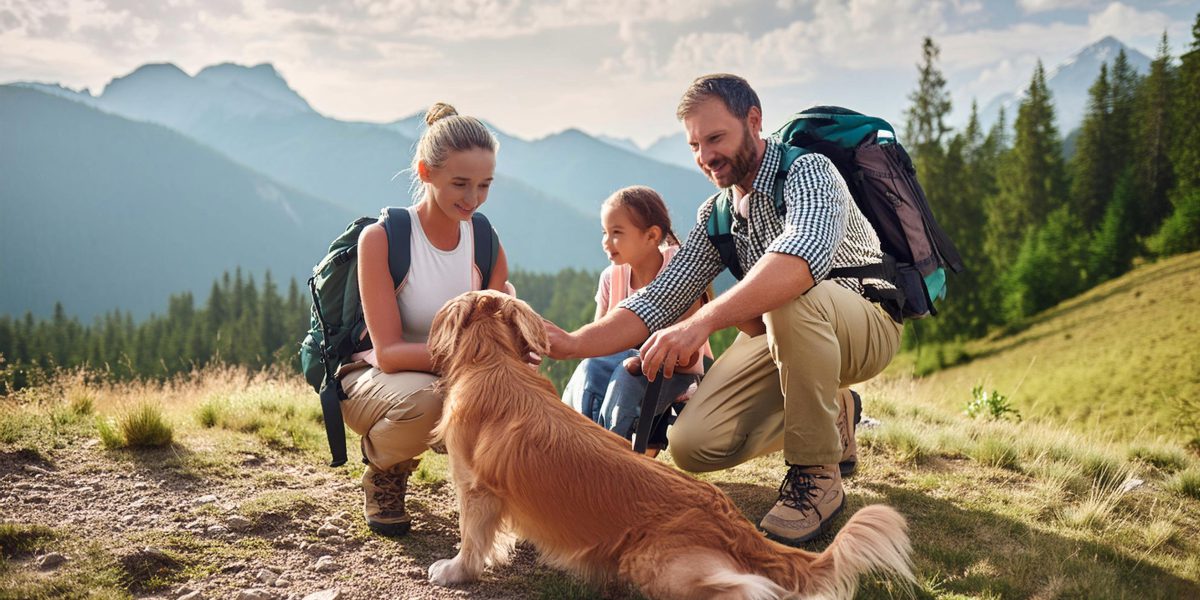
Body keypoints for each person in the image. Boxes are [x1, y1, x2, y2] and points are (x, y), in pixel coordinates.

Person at [545, 74, 902, 545]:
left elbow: (800, 258)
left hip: (866, 323)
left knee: (791, 298)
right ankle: (836, 410)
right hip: (791, 338)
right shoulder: (717, 214)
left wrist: (702, 323)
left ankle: (817, 474)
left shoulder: (809, 170)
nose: (705, 156)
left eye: (715, 137)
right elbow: (657, 298)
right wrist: (570, 344)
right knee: (694, 444)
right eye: (694, 144)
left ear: (754, 121)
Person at [339, 102, 509, 537]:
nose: (473, 199)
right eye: (460, 184)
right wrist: (473, 362)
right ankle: (384, 468)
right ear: (425, 172)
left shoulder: (485, 241)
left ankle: (502, 494)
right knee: (431, 400)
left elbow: (498, 332)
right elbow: (391, 354)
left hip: (456, 375)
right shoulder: (382, 240)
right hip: (373, 380)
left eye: (485, 185)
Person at [562, 186, 710, 448]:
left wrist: (638, 359)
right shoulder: (611, 276)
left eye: (616, 233)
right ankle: (580, 446)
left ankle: (612, 454)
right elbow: (599, 344)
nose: (607, 243)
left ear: (652, 235)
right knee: (590, 367)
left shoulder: (679, 268)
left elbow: (688, 353)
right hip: (628, 367)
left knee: (626, 374)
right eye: (604, 233)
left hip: (678, 373)